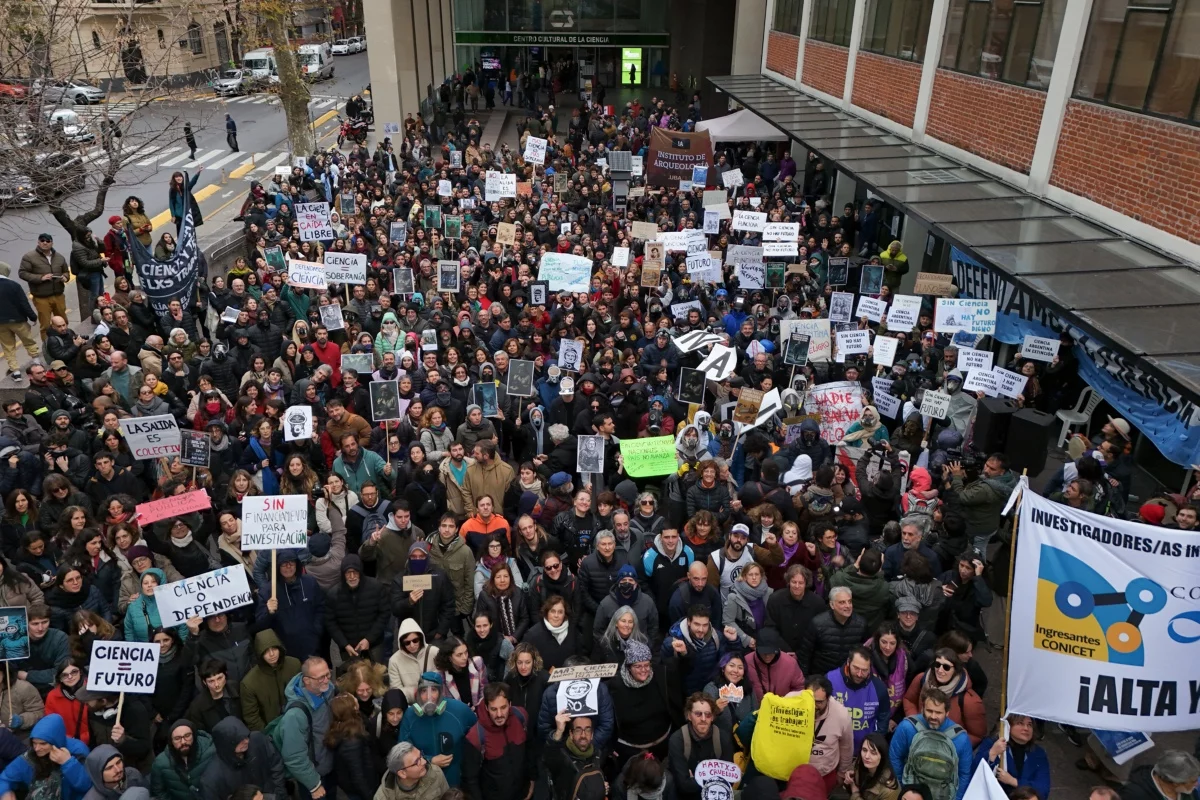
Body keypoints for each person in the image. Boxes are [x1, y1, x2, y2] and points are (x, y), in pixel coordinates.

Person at [888, 687, 972, 800]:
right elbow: (894, 757)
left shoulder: (961, 738)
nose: (933, 716)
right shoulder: (907, 727)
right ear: (922, 709)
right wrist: (903, 790)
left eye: (938, 712)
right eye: (929, 711)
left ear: (947, 712)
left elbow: (964, 774)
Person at [395, 672, 476, 788]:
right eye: (424, 691)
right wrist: (429, 760)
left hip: (455, 783)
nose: (429, 696)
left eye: (433, 690)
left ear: (441, 692)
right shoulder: (410, 715)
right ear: (418, 693)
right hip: (424, 784)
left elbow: (477, 737)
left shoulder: (459, 711)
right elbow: (403, 752)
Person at [275, 656, 337, 800]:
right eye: (320, 678)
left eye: (328, 674)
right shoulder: (295, 715)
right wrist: (314, 785)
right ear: (306, 680)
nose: (326, 680)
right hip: (314, 777)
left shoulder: (327, 690)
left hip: (330, 767)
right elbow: (294, 756)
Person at [460, 682, 533, 800]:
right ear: (486, 707)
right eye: (493, 709)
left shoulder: (521, 717)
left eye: (503, 707)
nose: (499, 714)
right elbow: (470, 779)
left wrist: (532, 780)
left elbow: (530, 750)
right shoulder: (475, 737)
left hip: (523, 792)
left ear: (510, 704)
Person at [0, 715, 92, 800]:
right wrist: (5, 792)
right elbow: (5, 778)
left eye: (43, 743)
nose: (37, 748)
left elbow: (86, 786)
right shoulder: (30, 756)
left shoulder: (77, 751)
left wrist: (68, 763)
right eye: (34, 743)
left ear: (56, 741)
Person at [667, 693, 735, 800]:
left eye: (708, 714)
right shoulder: (677, 740)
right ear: (689, 716)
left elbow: (729, 780)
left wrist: (695, 779)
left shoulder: (723, 738)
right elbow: (684, 786)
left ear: (712, 717)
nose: (703, 719)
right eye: (698, 714)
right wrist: (715, 778)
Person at [200, 717, 286, 800]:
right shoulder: (212, 779)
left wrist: (279, 794)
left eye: (246, 736)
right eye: (239, 740)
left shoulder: (257, 740)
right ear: (226, 744)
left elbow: (276, 764)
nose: (246, 741)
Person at [970, 714, 1050, 800]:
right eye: (1020, 723)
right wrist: (992, 753)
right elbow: (975, 774)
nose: (1026, 728)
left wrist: (1013, 781)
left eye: (1029, 725)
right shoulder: (993, 744)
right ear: (1008, 725)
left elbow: (1043, 789)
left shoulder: (1038, 753)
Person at [828, 646, 890, 753]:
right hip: (834, 749)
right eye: (856, 668)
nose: (859, 674)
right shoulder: (830, 680)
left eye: (865, 670)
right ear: (848, 662)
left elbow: (883, 717)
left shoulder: (878, 687)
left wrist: (873, 745)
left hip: (863, 752)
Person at [797, 585, 868, 676]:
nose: (848, 606)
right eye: (842, 602)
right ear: (832, 605)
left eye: (849, 601)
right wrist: (805, 678)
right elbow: (804, 654)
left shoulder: (861, 624)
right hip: (822, 676)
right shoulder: (818, 623)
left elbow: (864, 652)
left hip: (849, 676)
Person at [543, 712, 606, 800]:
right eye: (578, 730)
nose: (583, 735)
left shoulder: (598, 754)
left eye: (587, 730)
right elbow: (549, 757)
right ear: (571, 734)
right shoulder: (562, 755)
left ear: (592, 735)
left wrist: (602, 787)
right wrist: (559, 732)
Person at [19, 233, 70, 339]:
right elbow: (22, 273)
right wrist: (40, 278)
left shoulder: (59, 257)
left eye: (47, 241)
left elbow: (66, 271)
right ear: (38, 242)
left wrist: (65, 277)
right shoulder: (29, 257)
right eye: (42, 241)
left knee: (63, 322)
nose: (45, 243)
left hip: (58, 295)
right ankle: (48, 345)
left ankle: (66, 341)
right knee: (46, 325)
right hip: (41, 297)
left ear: (52, 243)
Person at [150, 720, 215, 800]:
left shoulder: (210, 752)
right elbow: (158, 793)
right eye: (177, 738)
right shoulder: (160, 763)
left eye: (187, 736)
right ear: (171, 742)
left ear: (194, 735)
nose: (183, 742)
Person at [0, 262, 43, 381]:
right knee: (28, 341)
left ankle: (16, 371)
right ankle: (36, 361)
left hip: (1, 323)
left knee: (8, 347)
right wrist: (32, 317)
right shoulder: (14, 285)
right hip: (18, 320)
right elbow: (24, 303)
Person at [376, 741, 449, 800]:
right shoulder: (383, 796)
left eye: (421, 755)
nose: (424, 762)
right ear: (402, 773)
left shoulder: (435, 773)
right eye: (417, 762)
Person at [1121, 750, 1199, 800]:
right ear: (1175, 782)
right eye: (1193, 781)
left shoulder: (1186, 790)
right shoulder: (1135, 795)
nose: (1197, 784)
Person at [84, 745, 151, 800]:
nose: (118, 770)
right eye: (109, 768)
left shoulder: (132, 775)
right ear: (98, 774)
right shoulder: (93, 798)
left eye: (118, 762)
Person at [844, 733, 900, 800]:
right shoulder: (860, 761)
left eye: (873, 753)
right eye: (864, 750)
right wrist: (849, 775)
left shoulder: (890, 790)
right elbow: (852, 769)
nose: (866, 756)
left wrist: (855, 793)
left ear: (882, 757)